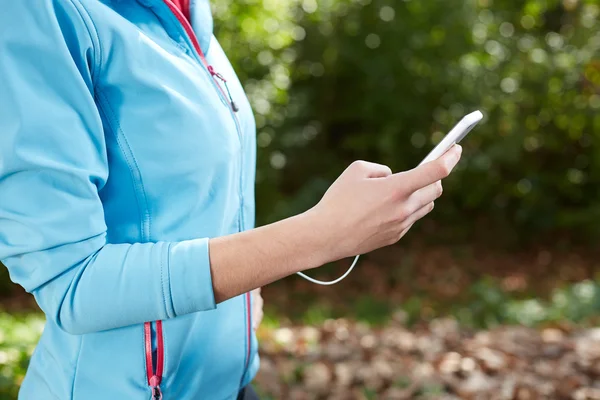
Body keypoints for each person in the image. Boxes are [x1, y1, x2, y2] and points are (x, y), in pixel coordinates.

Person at [0, 1, 462, 399]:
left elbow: (194, 208)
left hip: (232, 383)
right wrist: (320, 235)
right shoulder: (39, 12)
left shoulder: (188, 13)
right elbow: (74, 283)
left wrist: (239, 304)